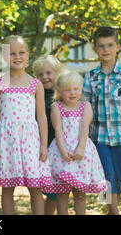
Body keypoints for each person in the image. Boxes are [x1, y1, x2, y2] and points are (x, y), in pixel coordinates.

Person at [0, 35, 52, 215]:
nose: (17, 57)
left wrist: (43, 145)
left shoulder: (36, 85)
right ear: (5, 57)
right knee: (7, 187)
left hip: (30, 142)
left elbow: (42, 116)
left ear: (28, 55)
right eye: (12, 53)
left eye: (21, 53)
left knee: (35, 187)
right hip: (6, 141)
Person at [82, 26, 121, 215]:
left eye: (110, 45)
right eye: (101, 46)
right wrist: (84, 138)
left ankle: (110, 209)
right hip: (98, 137)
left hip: (120, 137)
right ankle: (114, 211)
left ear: (117, 47)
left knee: (119, 175)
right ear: (95, 49)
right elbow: (86, 108)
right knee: (106, 175)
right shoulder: (91, 77)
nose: (106, 50)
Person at [45, 70, 107, 215]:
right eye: (67, 90)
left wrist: (81, 148)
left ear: (81, 89)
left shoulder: (85, 106)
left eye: (76, 89)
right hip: (62, 152)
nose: (72, 93)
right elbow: (57, 129)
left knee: (79, 193)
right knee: (62, 193)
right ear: (59, 91)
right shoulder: (56, 107)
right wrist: (61, 149)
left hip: (82, 152)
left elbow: (84, 128)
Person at [32, 54, 64, 215]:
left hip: (61, 147)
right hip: (42, 146)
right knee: (48, 189)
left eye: (48, 73)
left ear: (58, 73)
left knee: (57, 190)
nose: (44, 77)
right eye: (40, 74)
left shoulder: (64, 94)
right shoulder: (35, 95)